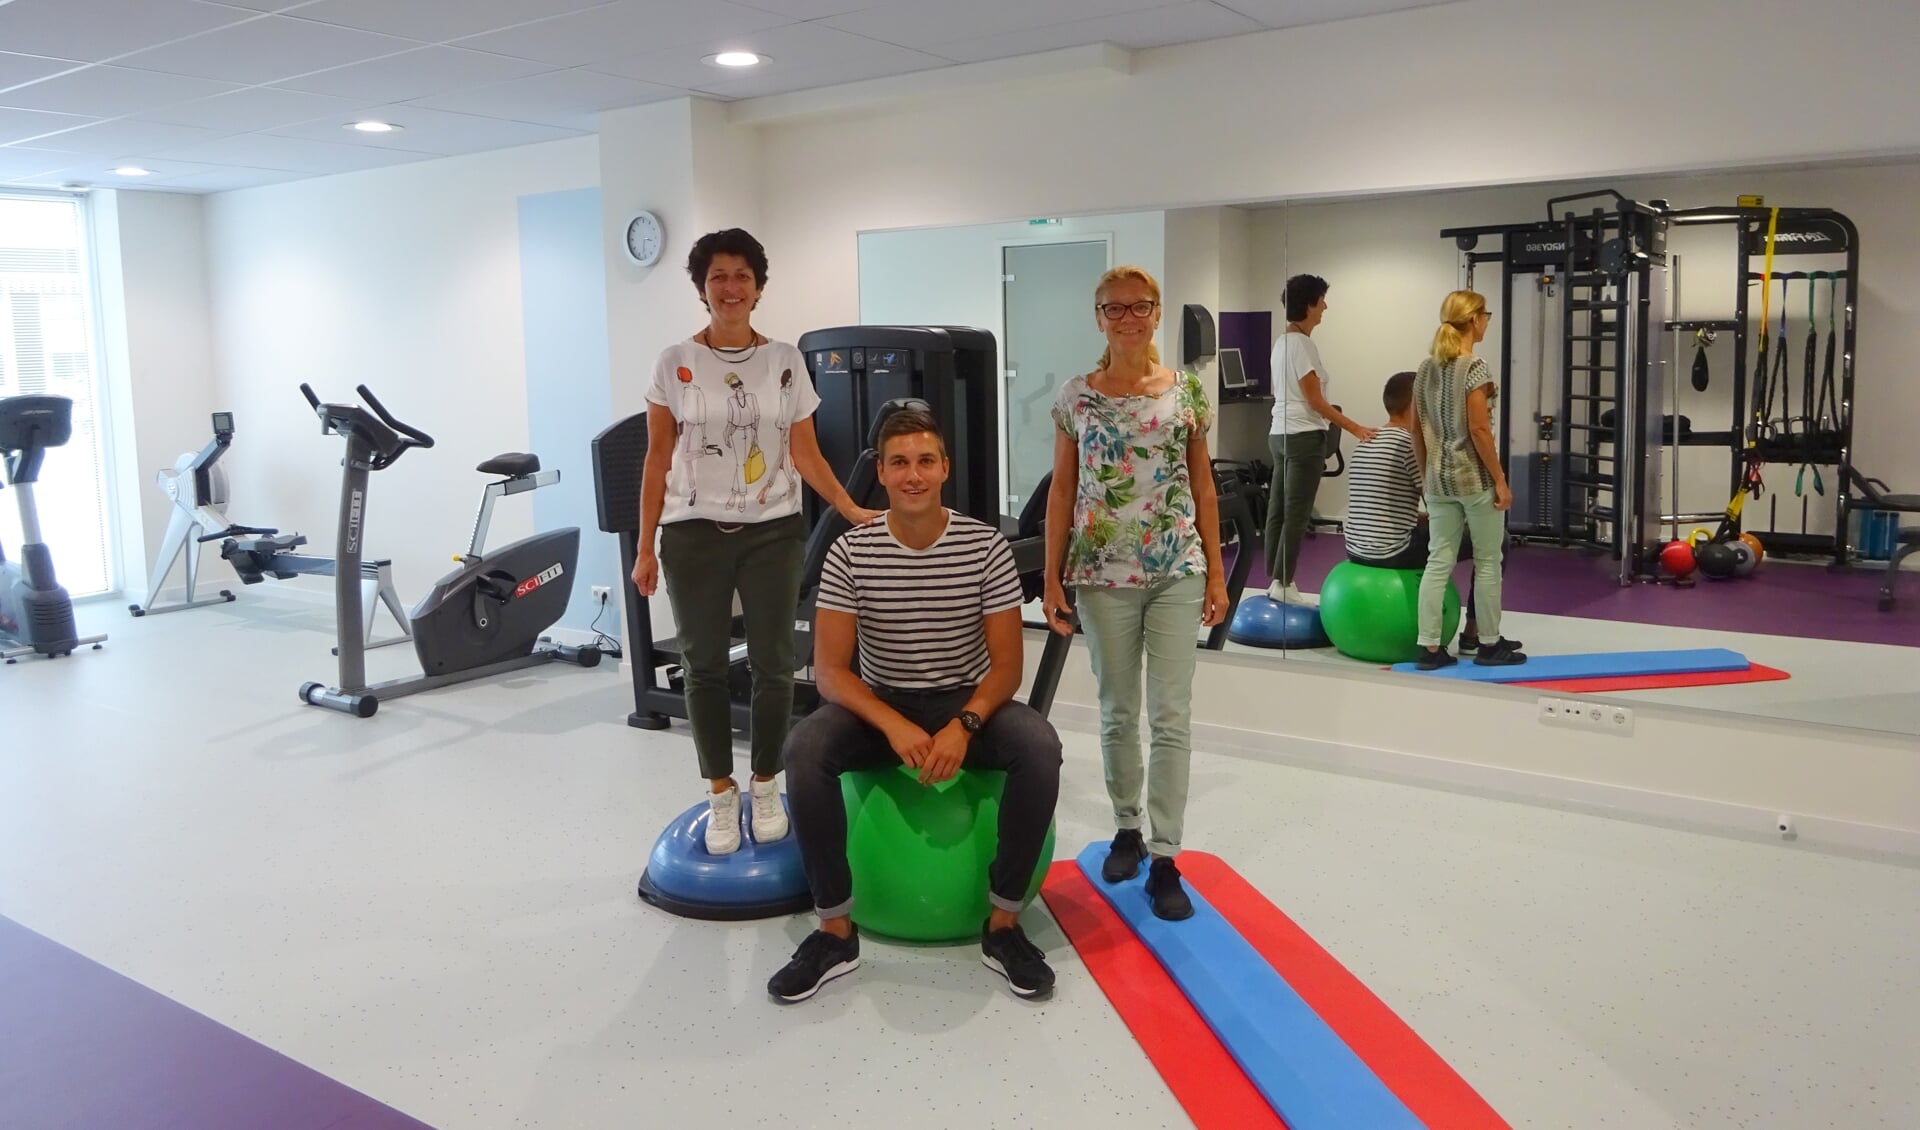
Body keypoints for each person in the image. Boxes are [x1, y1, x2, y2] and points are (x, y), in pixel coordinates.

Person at [768, 407, 1063, 1003]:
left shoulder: (985, 548)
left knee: (1040, 746)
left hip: (965, 699)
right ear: (881, 472)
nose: (913, 475)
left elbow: (1007, 666)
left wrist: (964, 725)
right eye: (899, 463)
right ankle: (834, 931)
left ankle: (1004, 926)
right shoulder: (850, 553)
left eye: (925, 461)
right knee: (803, 749)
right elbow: (828, 671)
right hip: (881, 704)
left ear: (944, 469)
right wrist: (893, 724)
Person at [633, 228, 881, 856]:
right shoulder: (674, 361)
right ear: (701, 288)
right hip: (692, 533)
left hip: (773, 531)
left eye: (742, 275)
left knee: (774, 663)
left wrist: (849, 506)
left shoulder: (786, 362)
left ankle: (765, 782)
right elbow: (657, 458)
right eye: (718, 276)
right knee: (704, 665)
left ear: (759, 287)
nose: (731, 287)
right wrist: (643, 546)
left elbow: (804, 451)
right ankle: (722, 793)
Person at [1042, 265, 1229, 922]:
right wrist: (1050, 574)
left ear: (1156, 313)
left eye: (1139, 307)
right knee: (1119, 712)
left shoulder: (1187, 394)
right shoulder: (1075, 397)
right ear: (1098, 317)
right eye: (1114, 308)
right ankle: (1126, 826)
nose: (1128, 318)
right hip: (1100, 574)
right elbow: (1062, 491)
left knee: (1170, 716)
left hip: (1176, 568)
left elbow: (1203, 487)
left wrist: (1215, 573)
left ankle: (1167, 854)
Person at [1412, 291, 1525, 669]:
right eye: (1486, 315)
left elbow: (1417, 431)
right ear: (1474, 320)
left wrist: (1427, 478)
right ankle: (1489, 644)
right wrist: (1501, 480)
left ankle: (1429, 647)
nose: (1488, 321)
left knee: (1438, 560)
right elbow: (1480, 429)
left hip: (1438, 482)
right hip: (1474, 480)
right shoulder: (1475, 368)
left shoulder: (1425, 369)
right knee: (1489, 559)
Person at [1344, 371, 1490, 651]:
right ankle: (1475, 632)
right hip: (1393, 550)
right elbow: (1437, 502)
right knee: (1498, 540)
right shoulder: (1409, 443)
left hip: (1355, 547)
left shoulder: (1366, 441)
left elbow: (1386, 503)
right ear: (1416, 405)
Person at [1264, 274, 1376, 606]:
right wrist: (1355, 428)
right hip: (1303, 437)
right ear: (1310, 304)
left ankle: (1274, 580)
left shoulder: (1282, 342)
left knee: (1278, 510)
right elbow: (1316, 401)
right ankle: (1283, 583)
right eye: (1322, 300)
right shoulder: (1302, 345)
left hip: (1280, 434)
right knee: (1296, 513)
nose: (1326, 306)